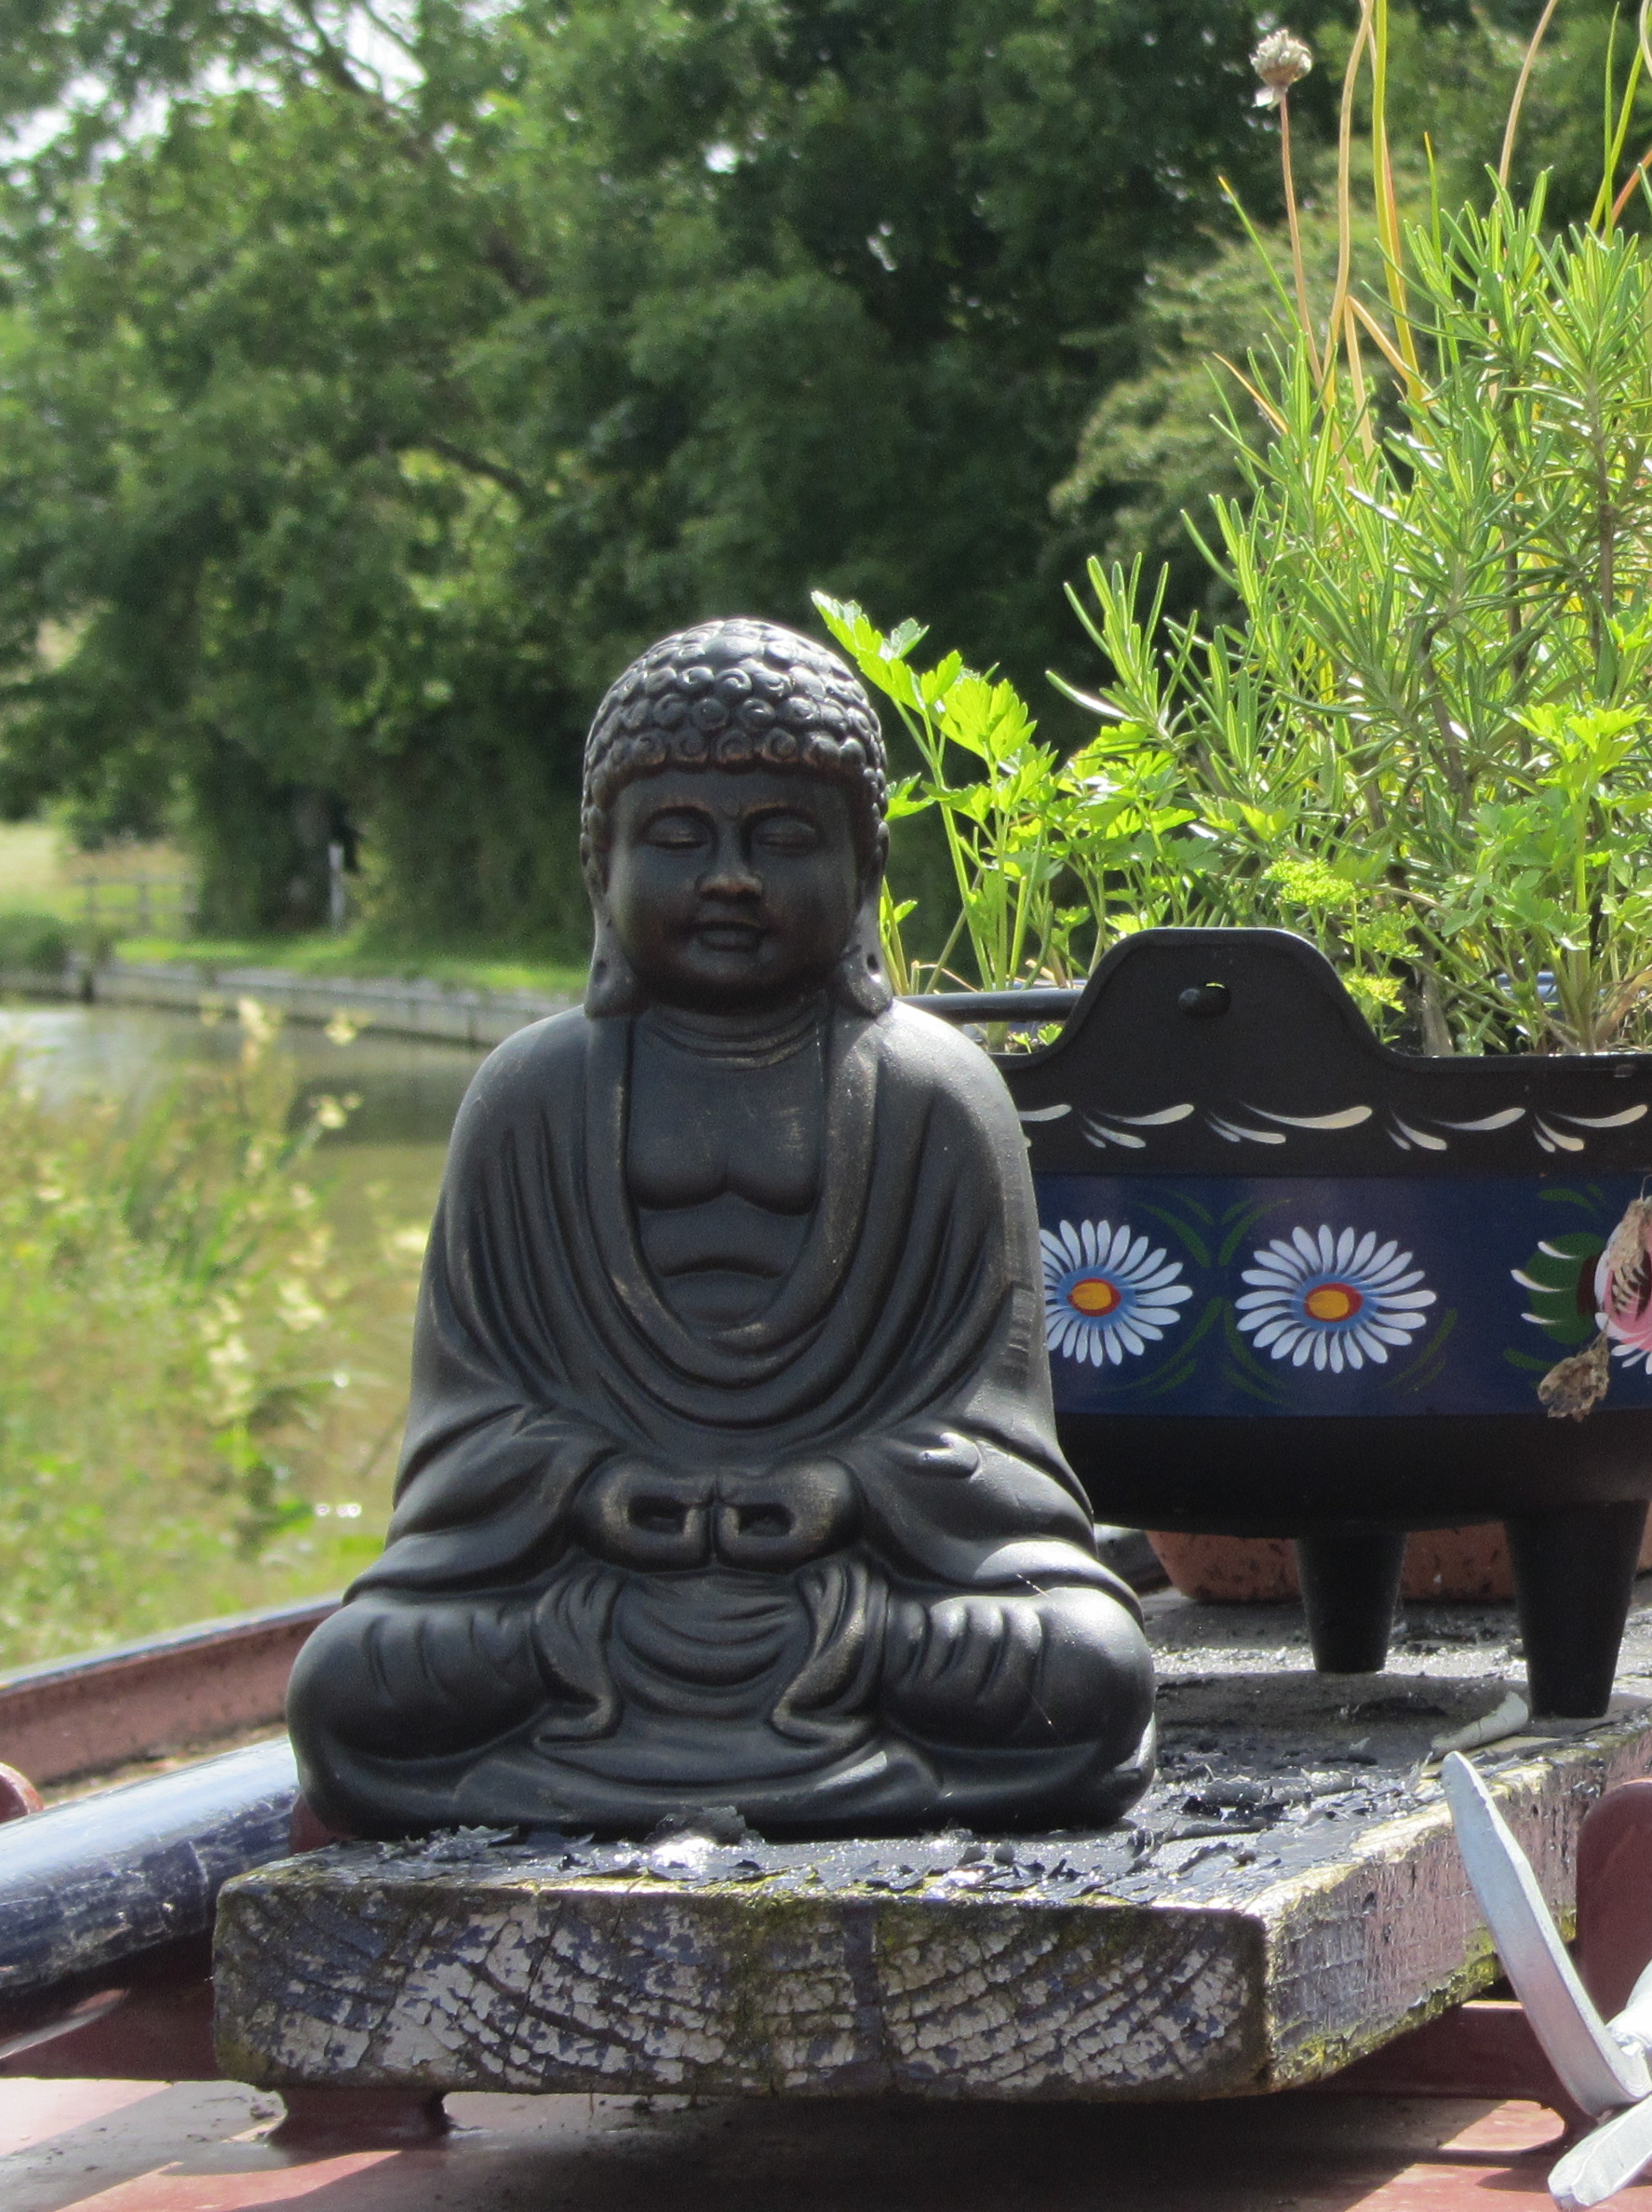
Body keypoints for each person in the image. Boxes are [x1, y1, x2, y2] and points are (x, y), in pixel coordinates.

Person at [288, 620, 1159, 1833]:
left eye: (783, 839)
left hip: (858, 1589)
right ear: (600, 862)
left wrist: (844, 1490)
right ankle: (803, 1753)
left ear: (865, 863)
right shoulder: (528, 1098)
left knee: (1082, 1671)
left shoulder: (937, 1093)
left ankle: (632, 1755)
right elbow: (466, 1416)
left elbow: (990, 1421)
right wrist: (592, 1490)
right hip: (589, 1597)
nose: (732, 878)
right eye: (680, 838)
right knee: (352, 1684)